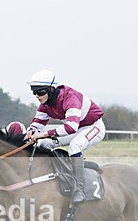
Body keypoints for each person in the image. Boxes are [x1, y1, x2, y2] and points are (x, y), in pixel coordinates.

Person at [23, 69, 105, 203]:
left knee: (75, 146)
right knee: (44, 144)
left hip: (93, 127)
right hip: (76, 128)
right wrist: (31, 131)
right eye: (34, 92)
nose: (37, 96)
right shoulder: (45, 104)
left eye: (40, 92)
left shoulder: (70, 98)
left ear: (51, 89)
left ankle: (79, 188)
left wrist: (43, 134)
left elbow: (71, 127)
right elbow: (38, 123)